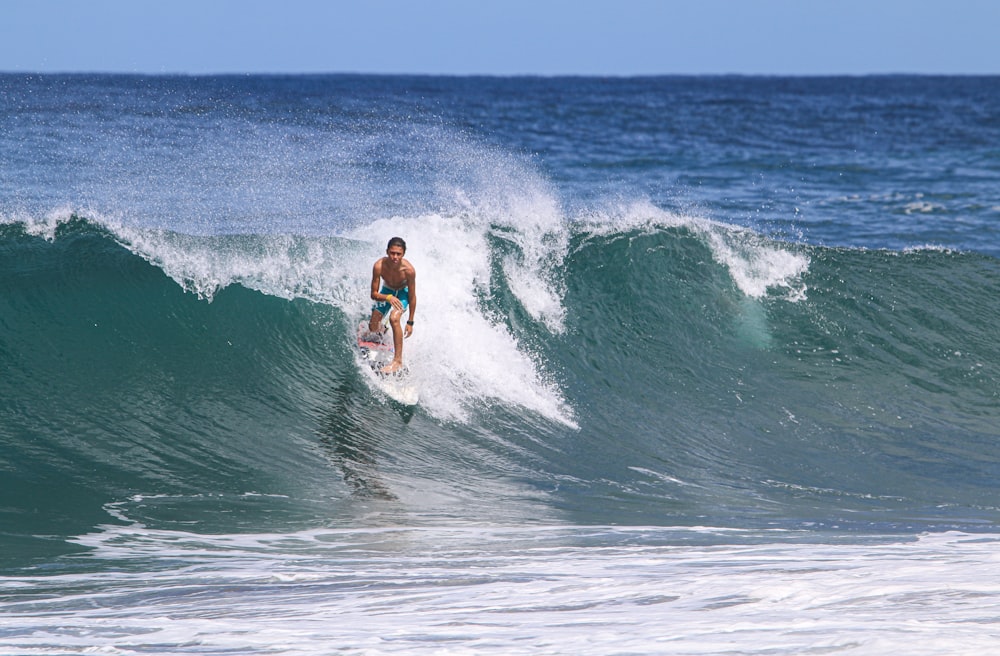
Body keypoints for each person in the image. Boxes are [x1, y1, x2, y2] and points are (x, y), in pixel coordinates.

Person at [368, 237, 417, 373]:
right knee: (373, 327)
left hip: (403, 293)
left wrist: (410, 322)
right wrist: (388, 297)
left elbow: (412, 297)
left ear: (403, 254)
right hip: (387, 292)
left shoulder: (409, 271)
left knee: (394, 318)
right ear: (387, 251)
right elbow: (374, 294)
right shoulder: (379, 266)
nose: (395, 257)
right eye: (392, 253)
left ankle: (397, 361)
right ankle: (383, 331)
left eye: (398, 254)